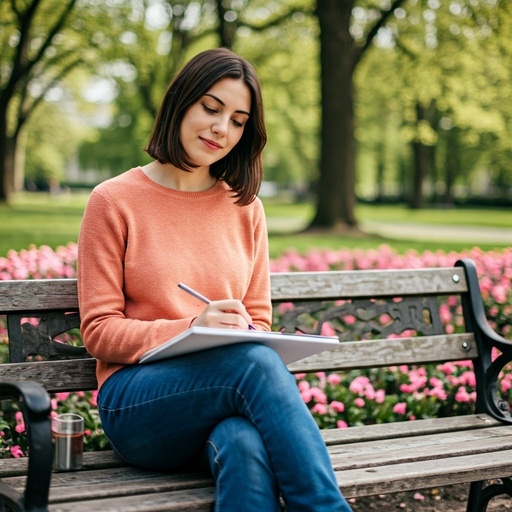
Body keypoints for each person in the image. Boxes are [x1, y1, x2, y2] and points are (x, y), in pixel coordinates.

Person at [77, 47, 352, 512]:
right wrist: (191, 327)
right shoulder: (113, 201)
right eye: (211, 108)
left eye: (239, 120)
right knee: (257, 366)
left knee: (244, 443)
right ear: (181, 102)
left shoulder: (246, 209)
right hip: (138, 406)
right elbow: (99, 331)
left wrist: (242, 332)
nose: (222, 129)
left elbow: (258, 323)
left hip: (223, 402)